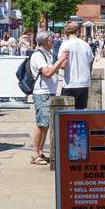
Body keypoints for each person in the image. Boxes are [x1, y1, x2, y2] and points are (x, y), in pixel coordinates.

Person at [29, 31, 62, 165]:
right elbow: (47, 73)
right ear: (43, 42)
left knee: (46, 124)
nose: (52, 41)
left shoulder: (46, 55)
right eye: (50, 40)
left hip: (48, 92)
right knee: (41, 123)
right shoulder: (38, 55)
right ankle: (35, 154)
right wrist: (61, 60)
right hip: (42, 93)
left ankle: (41, 152)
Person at [55, 22, 95, 109]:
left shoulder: (65, 44)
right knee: (79, 112)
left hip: (71, 82)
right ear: (78, 31)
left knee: (65, 112)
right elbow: (90, 61)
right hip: (84, 82)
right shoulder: (85, 44)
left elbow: (63, 65)